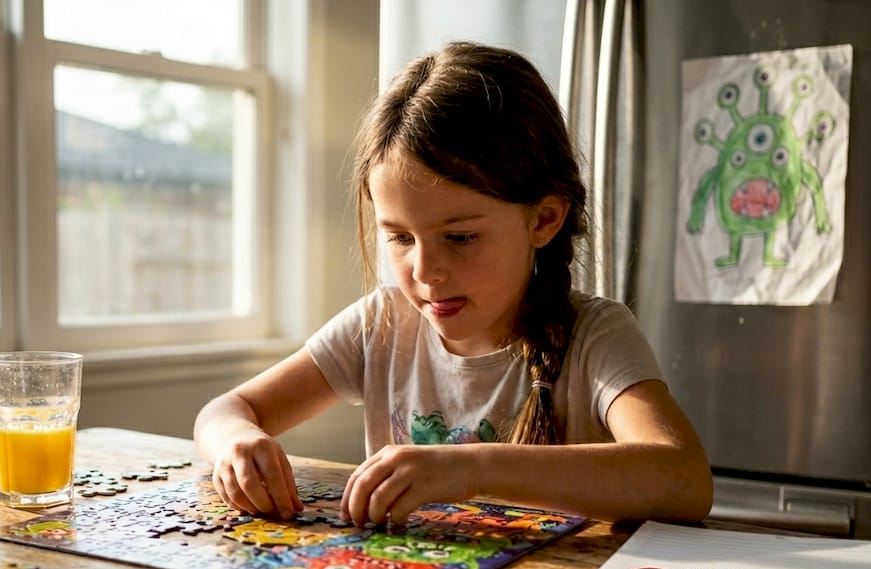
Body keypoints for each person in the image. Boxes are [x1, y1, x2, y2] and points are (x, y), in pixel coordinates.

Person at [194, 41, 712, 528]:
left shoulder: (594, 336)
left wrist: (471, 469)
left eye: (460, 237)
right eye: (399, 237)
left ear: (545, 219)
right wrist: (237, 441)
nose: (425, 271)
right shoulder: (380, 325)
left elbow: (684, 481)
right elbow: (224, 411)